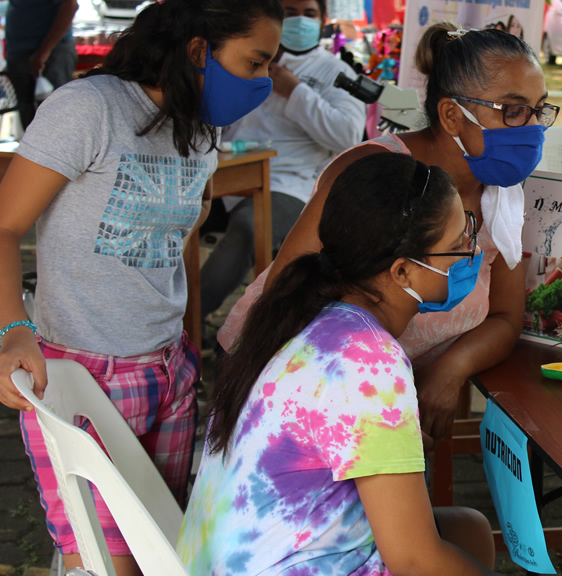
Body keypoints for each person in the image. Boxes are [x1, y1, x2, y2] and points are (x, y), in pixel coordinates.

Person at [0, 1, 283, 573]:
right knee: (107, 560)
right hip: (83, 374)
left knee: (158, 540)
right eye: (255, 63)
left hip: (168, 369)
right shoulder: (89, 110)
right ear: (200, 49)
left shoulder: (202, 125)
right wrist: (13, 331)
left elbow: (183, 223)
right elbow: (4, 225)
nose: (264, 81)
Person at [216, 22, 558, 444]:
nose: (532, 128)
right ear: (452, 115)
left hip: (385, 391)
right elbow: (290, 291)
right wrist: (368, 400)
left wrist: (450, 369)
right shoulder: (376, 175)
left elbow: (507, 317)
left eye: (540, 110)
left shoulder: (502, 193)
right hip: (295, 384)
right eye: (513, 109)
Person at [178, 152, 499, 576]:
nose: (471, 252)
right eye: (458, 244)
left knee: (468, 530)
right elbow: (416, 561)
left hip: (224, 561)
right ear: (403, 271)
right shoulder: (367, 361)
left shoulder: (297, 313)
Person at [200, 0, 367, 322]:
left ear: (323, 20)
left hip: (290, 183)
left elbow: (347, 136)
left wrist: (296, 92)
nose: (299, 21)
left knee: (249, 227)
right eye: (291, 13)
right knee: (175, 214)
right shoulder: (249, 59)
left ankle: (187, 322)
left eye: (309, 14)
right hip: (228, 173)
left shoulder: (338, 72)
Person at [4, 0, 78, 130]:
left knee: (55, 113)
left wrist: (44, 51)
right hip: (18, 51)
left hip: (51, 53)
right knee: (27, 112)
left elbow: (70, 5)